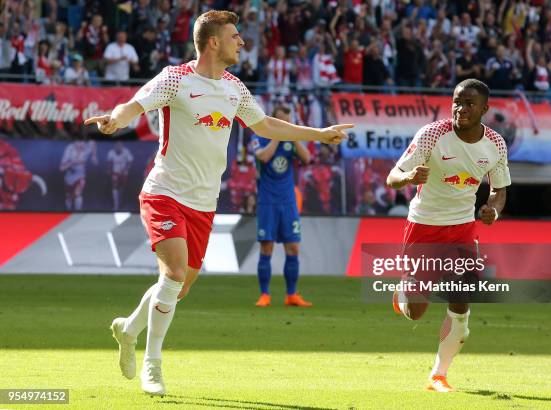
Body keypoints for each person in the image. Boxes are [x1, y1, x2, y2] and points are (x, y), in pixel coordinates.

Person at [84, 10, 352, 397]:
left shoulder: (234, 88)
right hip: (165, 192)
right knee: (174, 274)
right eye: (234, 36)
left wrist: (319, 134)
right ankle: (153, 365)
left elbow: (265, 125)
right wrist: (115, 119)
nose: (241, 42)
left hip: (204, 203)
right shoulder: (175, 78)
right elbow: (135, 105)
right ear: (212, 42)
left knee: (178, 287)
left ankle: (128, 330)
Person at [386, 79, 511, 393]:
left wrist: (493, 211)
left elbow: (499, 190)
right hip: (424, 225)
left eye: (469, 104)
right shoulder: (432, 135)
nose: (461, 109)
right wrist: (409, 177)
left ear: (485, 109)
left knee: (461, 300)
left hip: (462, 229)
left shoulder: (495, 144)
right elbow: (392, 177)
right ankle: (404, 295)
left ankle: (438, 375)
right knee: (416, 312)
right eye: (457, 101)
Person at [250, 105, 312, 308]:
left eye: (288, 121)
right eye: (281, 122)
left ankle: (291, 295)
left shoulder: (291, 141)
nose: (285, 125)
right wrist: (278, 135)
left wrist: (292, 135)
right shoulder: (259, 137)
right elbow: (264, 157)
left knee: (293, 247)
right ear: (273, 121)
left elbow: (307, 158)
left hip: (288, 200)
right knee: (266, 246)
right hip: (267, 200)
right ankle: (264, 294)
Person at [59, 140, 98, 211]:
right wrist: (73, 162)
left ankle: (78, 213)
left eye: (83, 142)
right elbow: (61, 168)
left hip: (80, 175)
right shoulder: (69, 149)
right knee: (69, 197)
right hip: (70, 175)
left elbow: (93, 144)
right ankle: (68, 212)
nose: (82, 144)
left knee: (78, 194)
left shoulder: (88, 147)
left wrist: (94, 156)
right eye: (79, 142)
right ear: (74, 143)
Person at [107, 142, 134, 210]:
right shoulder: (111, 152)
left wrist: (126, 169)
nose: (118, 148)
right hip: (115, 172)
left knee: (121, 189)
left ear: (122, 147)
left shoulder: (126, 152)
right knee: (114, 187)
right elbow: (109, 163)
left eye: (119, 146)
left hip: (124, 173)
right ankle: (116, 205)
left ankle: (120, 202)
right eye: (116, 146)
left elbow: (130, 161)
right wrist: (109, 170)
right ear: (115, 147)